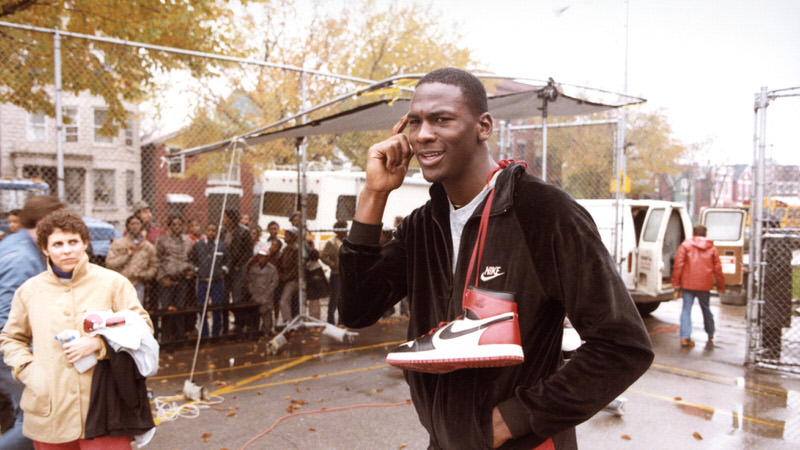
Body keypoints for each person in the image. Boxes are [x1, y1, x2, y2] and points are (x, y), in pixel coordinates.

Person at [339, 68, 653, 449]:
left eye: (442, 119)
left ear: (483, 126)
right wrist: (374, 194)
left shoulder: (544, 212)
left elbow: (622, 347)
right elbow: (355, 310)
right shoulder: (423, 225)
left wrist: (509, 422)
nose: (423, 134)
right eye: (415, 122)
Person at [0, 209, 154, 448]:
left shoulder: (113, 283)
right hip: (50, 405)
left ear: (85, 243)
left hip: (103, 405)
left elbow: (143, 327)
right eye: (58, 244)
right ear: (45, 248)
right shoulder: (29, 291)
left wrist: (101, 344)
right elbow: (11, 338)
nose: (67, 249)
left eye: (73, 241)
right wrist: (29, 371)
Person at [0, 195, 63, 449]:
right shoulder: (22, 257)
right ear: (42, 222)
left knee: (17, 414)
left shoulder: (17, 244)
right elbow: (6, 315)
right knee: (35, 421)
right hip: (9, 350)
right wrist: (31, 358)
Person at [671, 224, 725, 348]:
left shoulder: (685, 245)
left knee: (686, 310)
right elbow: (718, 268)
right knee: (706, 309)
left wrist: (676, 283)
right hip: (704, 285)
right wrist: (720, 285)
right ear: (705, 234)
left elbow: (678, 265)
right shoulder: (712, 248)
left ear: (693, 233)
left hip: (687, 283)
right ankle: (710, 334)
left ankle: (685, 337)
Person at [155, 215, 193, 342]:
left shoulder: (187, 240)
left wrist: (189, 270)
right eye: (174, 224)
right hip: (167, 278)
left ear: (182, 226)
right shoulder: (162, 240)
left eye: (179, 224)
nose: (177, 227)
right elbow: (157, 260)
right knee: (166, 309)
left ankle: (180, 337)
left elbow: (191, 258)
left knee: (180, 308)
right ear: (169, 226)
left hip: (182, 278)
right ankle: (166, 337)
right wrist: (162, 277)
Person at [105, 215, 159, 303]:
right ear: (127, 226)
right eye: (132, 223)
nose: (135, 226)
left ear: (142, 226)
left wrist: (144, 275)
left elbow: (154, 266)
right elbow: (109, 263)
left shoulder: (148, 247)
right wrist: (126, 256)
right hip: (120, 284)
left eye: (137, 223)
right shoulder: (118, 244)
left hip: (138, 284)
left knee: (136, 312)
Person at [189, 223, 229, 338]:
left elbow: (228, 260)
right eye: (209, 230)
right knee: (202, 307)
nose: (211, 233)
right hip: (203, 281)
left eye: (214, 230)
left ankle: (216, 333)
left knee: (217, 307)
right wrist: (197, 269)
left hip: (217, 281)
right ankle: (204, 334)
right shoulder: (198, 245)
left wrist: (223, 269)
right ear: (205, 231)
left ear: (217, 233)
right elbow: (192, 259)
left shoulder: (222, 245)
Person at [221, 209, 253, 333]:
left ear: (230, 218)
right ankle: (224, 325)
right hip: (225, 268)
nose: (223, 219)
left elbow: (248, 251)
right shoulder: (223, 231)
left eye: (225, 217)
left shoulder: (244, 231)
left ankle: (238, 325)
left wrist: (239, 265)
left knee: (237, 297)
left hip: (236, 268)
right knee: (223, 297)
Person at [245, 243, 279, 335]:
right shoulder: (253, 268)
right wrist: (253, 293)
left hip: (267, 296)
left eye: (264, 257)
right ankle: (254, 330)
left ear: (267, 258)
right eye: (260, 256)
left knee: (267, 314)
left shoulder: (272, 269)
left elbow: (274, 283)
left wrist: (266, 294)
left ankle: (267, 331)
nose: (261, 259)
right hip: (255, 294)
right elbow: (250, 282)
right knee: (254, 314)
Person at [320, 221, 346, 324]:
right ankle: (330, 320)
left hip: (346, 274)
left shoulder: (346, 241)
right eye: (344, 229)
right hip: (336, 273)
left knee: (343, 298)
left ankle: (342, 320)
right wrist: (333, 264)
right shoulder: (331, 242)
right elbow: (323, 256)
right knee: (335, 297)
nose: (346, 231)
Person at [277, 227, 300, 325]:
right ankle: (289, 320)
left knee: (283, 301)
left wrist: (288, 276)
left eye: (287, 235)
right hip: (285, 278)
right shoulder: (286, 249)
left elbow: (297, 267)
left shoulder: (296, 249)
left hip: (292, 279)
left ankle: (288, 321)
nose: (285, 237)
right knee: (286, 301)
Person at [305, 249, 329, 320]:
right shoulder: (317, 266)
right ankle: (315, 319)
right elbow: (322, 279)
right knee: (315, 305)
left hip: (311, 288)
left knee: (312, 305)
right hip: (316, 289)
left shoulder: (308, 265)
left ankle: (312, 318)